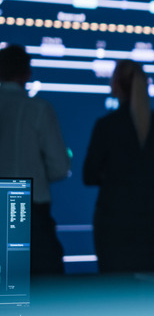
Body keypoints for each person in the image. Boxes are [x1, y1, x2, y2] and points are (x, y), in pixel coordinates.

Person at [83, 59, 154, 273]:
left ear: (117, 84)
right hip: (149, 216)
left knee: (112, 287)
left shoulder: (107, 125)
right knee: (145, 287)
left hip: (113, 217)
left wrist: (111, 176)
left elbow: (89, 175)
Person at [0, 44, 71, 274]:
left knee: (10, 292)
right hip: (29, 210)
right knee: (44, 292)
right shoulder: (38, 108)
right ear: (27, 73)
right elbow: (60, 167)